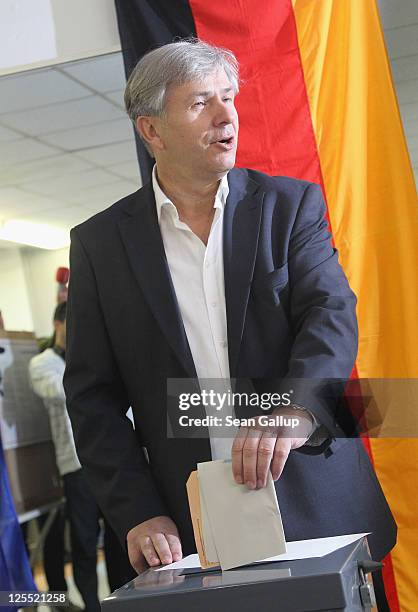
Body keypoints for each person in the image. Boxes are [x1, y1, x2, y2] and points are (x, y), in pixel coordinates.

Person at [64, 39, 396, 607]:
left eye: (228, 98)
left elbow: (330, 316)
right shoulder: (99, 245)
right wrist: (137, 511)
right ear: (152, 131)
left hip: (318, 509)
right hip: (192, 533)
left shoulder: (291, 208)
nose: (226, 116)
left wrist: (296, 408)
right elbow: (92, 399)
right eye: (200, 103)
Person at [29, 302, 135, 610]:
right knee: (85, 541)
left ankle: (122, 599)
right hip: (75, 465)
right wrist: (86, 363)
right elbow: (66, 390)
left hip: (110, 459)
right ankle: (91, 604)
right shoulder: (42, 364)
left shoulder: (93, 360)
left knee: (119, 538)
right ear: (57, 325)